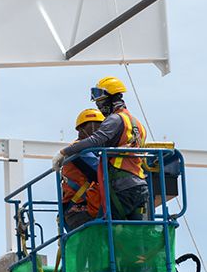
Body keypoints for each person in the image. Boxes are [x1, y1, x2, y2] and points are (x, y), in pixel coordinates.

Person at [52, 77, 148, 220]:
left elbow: (96, 141)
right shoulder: (137, 124)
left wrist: (63, 152)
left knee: (103, 230)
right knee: (134, 235)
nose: (98, 105)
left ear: (111, 98)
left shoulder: (115, 119)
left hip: (122, 186)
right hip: (140, 185)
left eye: (100, 101)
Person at [61, 109, 104, 230]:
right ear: (81, 128)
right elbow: (100, 171)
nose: (101, 130)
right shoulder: (78, 150)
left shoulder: (94, 152)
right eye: (97, 126)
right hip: (81, 210)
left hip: (90, 209)